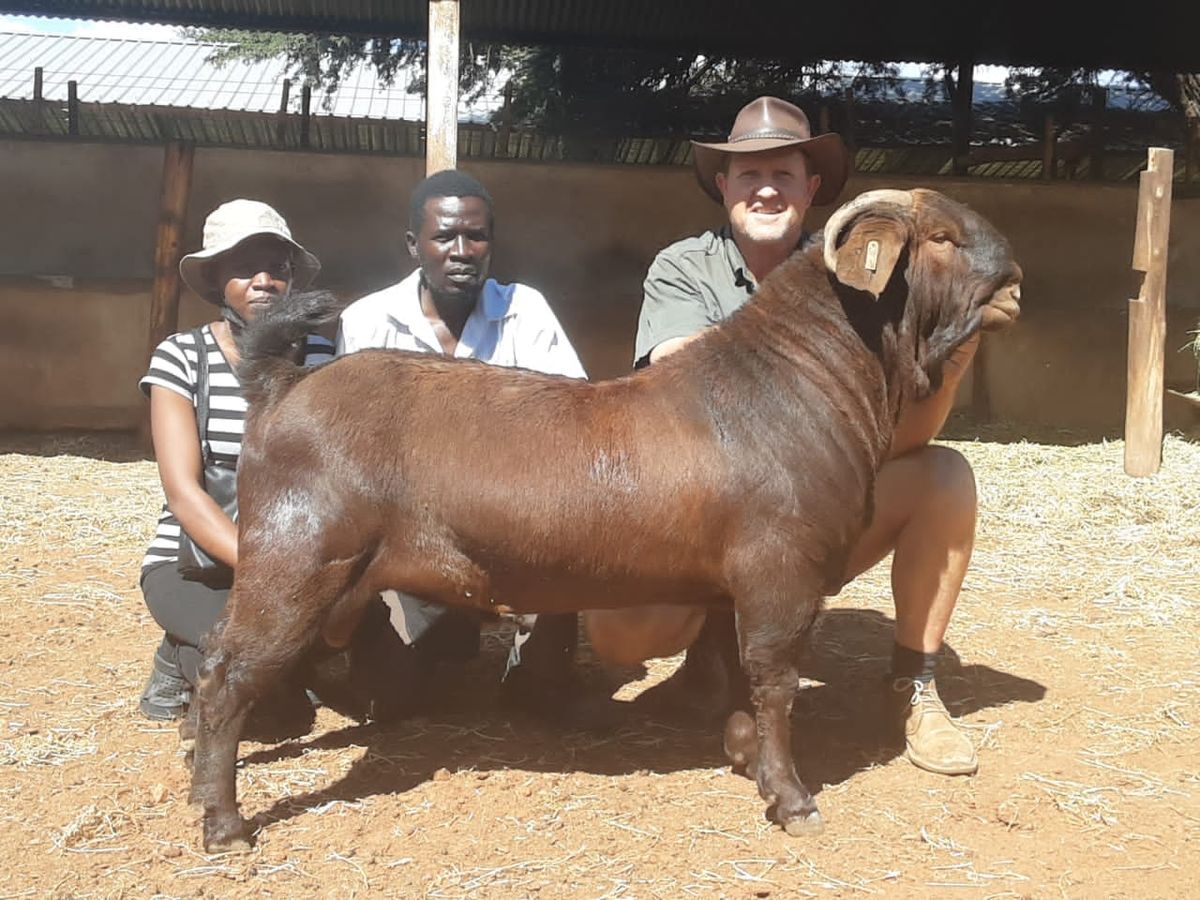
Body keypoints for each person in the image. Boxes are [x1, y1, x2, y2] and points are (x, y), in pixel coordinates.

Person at [585, 97, 983, 776]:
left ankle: (912, 687)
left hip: (803, 512)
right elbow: (684, 384)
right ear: (722, 186)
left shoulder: (862, 277)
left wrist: (946, 368)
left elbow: (894, 436)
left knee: (944, 476)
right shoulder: (683, 267)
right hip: (698, 514)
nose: (766, 188)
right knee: (620, 635)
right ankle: (716, 656)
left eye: (784, 174)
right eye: (748, 175)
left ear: (813, 189)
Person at [336, 169, 599, 722]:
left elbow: (574, 419)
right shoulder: (366, 322)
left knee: (545, 704)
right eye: (444, 237)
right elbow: (352, 458)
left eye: (476, 237)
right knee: (396, 703)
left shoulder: (525, 310)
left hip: (513, 520)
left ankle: (538, 669)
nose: (462, 251)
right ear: (414, 246)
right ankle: (434, 634)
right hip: (411, 535)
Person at [136, 198, 332, 738]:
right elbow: (183, 492)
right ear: (216, 278)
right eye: (245, 268)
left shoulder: (321, 358)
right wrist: (264, 566)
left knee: (359, 673)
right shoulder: (181, 357)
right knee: (263, 705)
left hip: (293, 564)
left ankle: (211, 644)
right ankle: (181, 653)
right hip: (194, 563)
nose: (264, 280)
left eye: (278, 267)